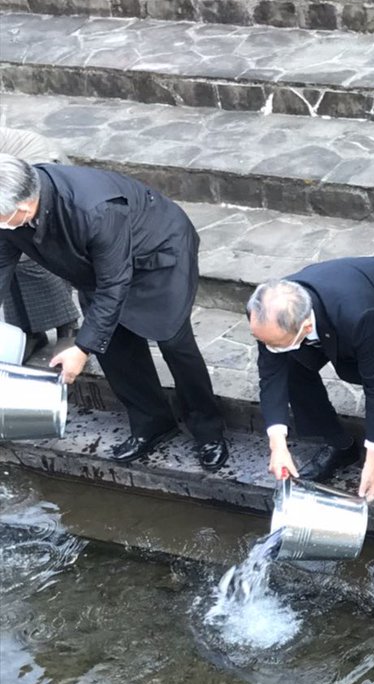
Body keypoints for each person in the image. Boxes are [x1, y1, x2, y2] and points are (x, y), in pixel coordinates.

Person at [0, 153, 228, 469]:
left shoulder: (95, 209)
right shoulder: (11, 210)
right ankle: (152, 422)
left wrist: (82, 348)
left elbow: (114, 284)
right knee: (114, 344)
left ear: (23, 207)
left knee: (174, 342)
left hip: (157, 254)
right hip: (97, 264)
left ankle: (208, 429)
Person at [247, 257, 374, 510]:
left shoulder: (357, 315)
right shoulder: (266, 311)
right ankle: (340, 444)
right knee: (292, 366)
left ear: (306, 327)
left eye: (275, 343)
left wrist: (372, 462)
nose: (267, 347)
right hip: (337, 312)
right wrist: (277, 445)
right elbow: (271, 376)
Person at [0, 128, 79, 358]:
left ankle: (68, 327)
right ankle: (28, 331)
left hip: (28, 165)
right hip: (7, 172)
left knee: (30, 250)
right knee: (5, 249)